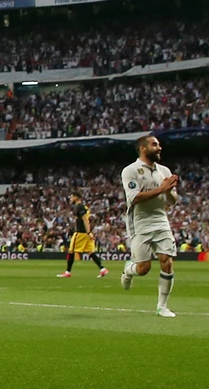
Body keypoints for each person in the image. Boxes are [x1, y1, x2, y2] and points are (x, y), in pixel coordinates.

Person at [119, 135, 180, 317]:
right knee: (143, 269)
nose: (159, 147)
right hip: (139, 222)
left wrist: (169, 192)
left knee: (167, 261)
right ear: (143, 149)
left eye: (159, 144)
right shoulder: (130, 171)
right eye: (155, 145)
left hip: (161, 220)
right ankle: (129, 269)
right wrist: (161, 189)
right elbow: (134, 198)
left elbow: (173, 200)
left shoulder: (164, 171)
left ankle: (162, 306)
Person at [59, 194, 107, 278]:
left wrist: (88, 232)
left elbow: (85, 219)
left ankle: (67, 272)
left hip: (81, 233)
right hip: (86, 233)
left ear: (76, 197)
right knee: (90, 252)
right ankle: (102, 269)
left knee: (71, 251)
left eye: (72, 196)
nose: (70, 198)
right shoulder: (84, 207)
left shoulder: (79, 207)